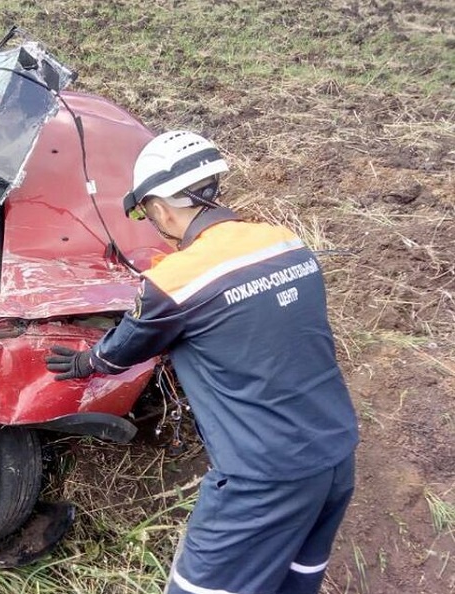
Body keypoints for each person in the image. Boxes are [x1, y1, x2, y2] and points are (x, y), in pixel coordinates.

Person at [45, 130, 359, 594]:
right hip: (335, 455)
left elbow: (125, 348)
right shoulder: (285, 242)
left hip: (263, 478)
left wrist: (86, 361)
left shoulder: (177, 279)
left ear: (159, 208)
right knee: (295, 582)